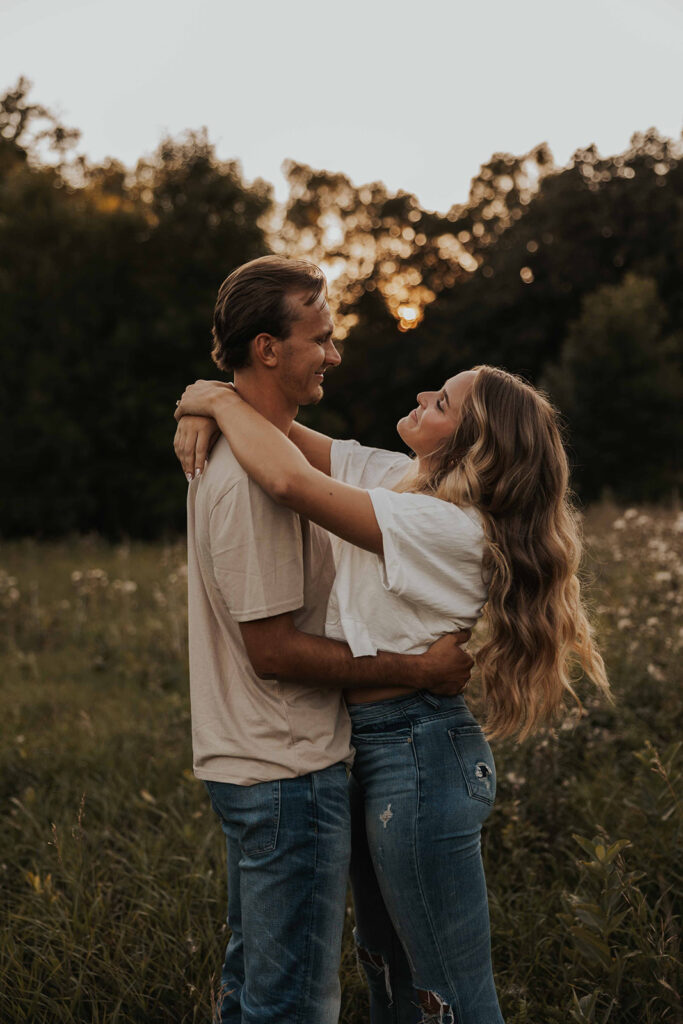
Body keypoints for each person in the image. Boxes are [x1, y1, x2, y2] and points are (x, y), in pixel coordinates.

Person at [174, 362, 611, 1024]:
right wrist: (209, 404)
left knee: (448, 997)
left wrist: (209, 397)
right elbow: (283, 431)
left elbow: (289, 480)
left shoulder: (444, 524)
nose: (416, 396)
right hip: (385, 751)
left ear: (470, 446)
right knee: (388, 975)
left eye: (438, 402)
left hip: (419, 753)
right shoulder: (400, 479)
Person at [176, 255, 473, 1024]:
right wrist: (417, 667)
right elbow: (270, 651)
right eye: (322, 337)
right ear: (268, 349)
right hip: (285, 767)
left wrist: (209, 397)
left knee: (260, 991)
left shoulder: (274, 454)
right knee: (290, 1005)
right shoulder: (249, 477)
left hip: (278, 764)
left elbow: (304, 460)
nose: (335, 355)